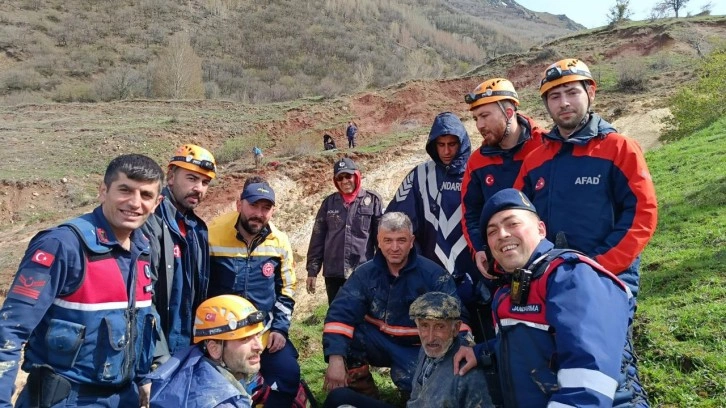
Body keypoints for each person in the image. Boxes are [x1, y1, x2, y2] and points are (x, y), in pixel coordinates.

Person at [455, 188, 648, 407]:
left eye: (512, 223)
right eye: (492, 232)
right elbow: (526, 343)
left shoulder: (572, 276)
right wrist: (480, 352)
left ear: (541, 229)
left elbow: (589, 384)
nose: (502, 234)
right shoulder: (510, 288)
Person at [0, 154, 164, 408]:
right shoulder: (62, 245)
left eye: (145, 195)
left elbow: (138, 322)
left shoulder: (142, 249)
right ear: (103, 191)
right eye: (125, 190)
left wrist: (143, 378)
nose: (135, 203)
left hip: (124, 398)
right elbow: (10, 330)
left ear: (156, 203)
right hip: (65, 399)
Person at [513, 58, 658, 297]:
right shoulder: (534, 160)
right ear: (547, 104)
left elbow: (642, 215)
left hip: (607, 278)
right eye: (554, 96)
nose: (564, 103)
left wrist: (597, 266)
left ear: (590, 92)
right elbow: (516, 216)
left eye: (572, 92)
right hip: (546, 279)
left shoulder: (620, 149)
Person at [322, 212, 465, 399]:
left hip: (418, 348)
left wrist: (463, 350)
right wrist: (335, 358)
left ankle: (411, 390)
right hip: (376, 341)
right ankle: (362, 394)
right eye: (388, 240)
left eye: (401, 240)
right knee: (345, 338)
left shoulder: (434, 275)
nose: (394, 247)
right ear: (379, 241)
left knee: (420, 392)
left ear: (411, 241)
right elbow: (340, 314)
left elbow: (457, 319)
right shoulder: (364, 274)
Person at [386, 112, 487, 340]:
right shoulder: (419, 175)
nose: (446, 151)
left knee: (479, 337)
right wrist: (411, 264)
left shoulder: (478, 169)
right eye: (441, 145)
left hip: (475, 271)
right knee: (437, 338)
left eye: (452, 144)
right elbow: (396, 220)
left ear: (462, 142)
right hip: (431, 273)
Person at [208, 178, 300, 407]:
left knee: (288, 375)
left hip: (264, 333)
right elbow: (200, 287)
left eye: (265, 208)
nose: (259, 214)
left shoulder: (280, 241)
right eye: (253, 206)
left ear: (273, 211)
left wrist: (280, 328)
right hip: (224, 336)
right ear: (239, 204)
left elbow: (287, 289)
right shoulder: (212, 234)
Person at [323, 292, 494, 408]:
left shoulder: (468, 371)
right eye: (424, 326)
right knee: (339, 397)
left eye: (440, 326)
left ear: (456, 328)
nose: (430, 336)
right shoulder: (428, 349)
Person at [460, 78, 545, 278]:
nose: (479, 125)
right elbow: (471, 213)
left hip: (545, 261)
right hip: (501, 266)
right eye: (476, 118)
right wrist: (479, 249)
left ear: (508, 113)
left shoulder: (545, 147)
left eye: (485, 116)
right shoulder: (477, 162)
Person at [141, 144, 215, 364]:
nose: (199, 188)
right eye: (192, 179)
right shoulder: (150, 221)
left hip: (188, 349)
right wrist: (158, 354)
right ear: (171, 177)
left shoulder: (197, 229)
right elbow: (143, 295)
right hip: (154, 351)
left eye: (205, 182)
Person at [149, 295, 265, 408]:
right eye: (245, 338)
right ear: (214, 349)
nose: (259, 346)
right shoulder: (223, 404)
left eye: (258, 335)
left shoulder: (189, 367)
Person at [307, 157, 383, 304]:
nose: (344, 181)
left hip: (363, 271)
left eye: (348, 176)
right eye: (340, 178)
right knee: (337, 314)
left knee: (364, 314)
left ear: (356, 176)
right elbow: (317, 238)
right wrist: (312, 271)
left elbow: (381, 240)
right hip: (334, 274)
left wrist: (384, 269)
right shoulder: (328, 203)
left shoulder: (373, 201)